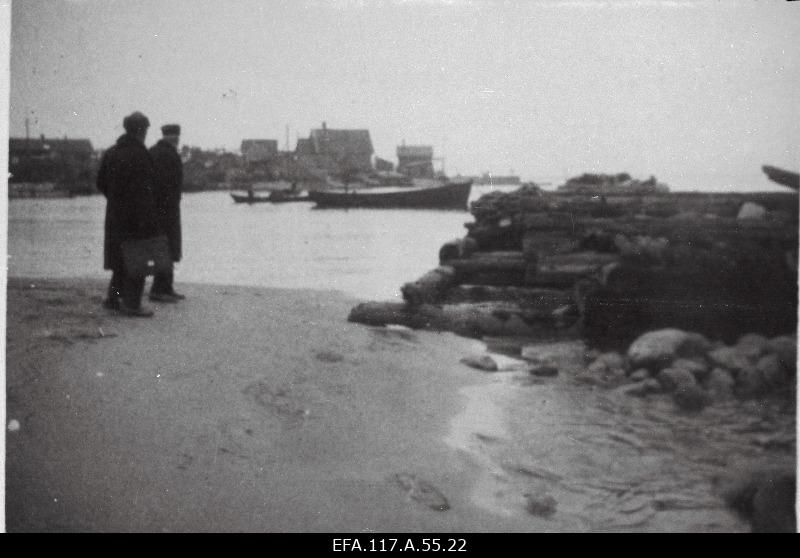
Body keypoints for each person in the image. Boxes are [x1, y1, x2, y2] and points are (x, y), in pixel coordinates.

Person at [97, 111, 158, 317]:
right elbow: (147, 189)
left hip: (115, 214)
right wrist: (149, 217)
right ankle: (132, 304)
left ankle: (113, 299)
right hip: (138, 216)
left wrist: (116, 200)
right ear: (142, 130)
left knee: (118, 259)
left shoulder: (111, 152)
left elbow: (100, 183)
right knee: (137, 261)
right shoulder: (141, 155)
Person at [148, 124, 186, 302]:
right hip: (167, 209)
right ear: (172, 137)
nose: (177, 140)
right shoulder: (169, 154)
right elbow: (168, 183)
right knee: (167, 248)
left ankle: (166, 287)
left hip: (157, 209)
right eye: (175, 137)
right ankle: (160, 289)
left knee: (163, 248)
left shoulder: (153, 151)